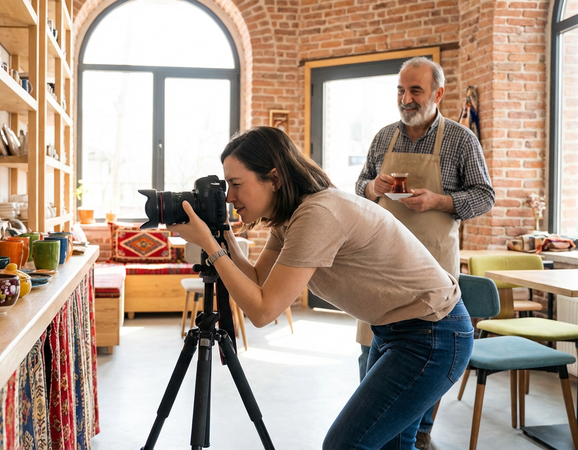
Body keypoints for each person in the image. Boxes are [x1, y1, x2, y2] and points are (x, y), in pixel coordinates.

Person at [169, 126, 473, 449]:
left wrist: (210, 247)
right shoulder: (290, 217)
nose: (229, 196)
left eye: (236, 184)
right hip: (397, 330)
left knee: (345, 445)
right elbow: (258, 281)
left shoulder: (317, 214)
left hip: (434, 334)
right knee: (390, 446)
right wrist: (223, 235)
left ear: (273, 178)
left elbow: (262, 311)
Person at [355, 57, 495, 449]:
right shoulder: (384, 138)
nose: (406, 98)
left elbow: (485, 196)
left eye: (415, 90)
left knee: (425, 354)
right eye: (401, 90)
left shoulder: (461, 139)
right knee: (372, 351)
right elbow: (360, 185)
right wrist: (373, 188)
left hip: (432, 266)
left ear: (438, 93)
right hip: (380, 266)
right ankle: (374, 429)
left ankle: (418, 435)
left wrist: (439, 200)